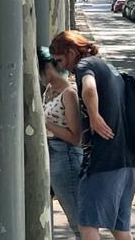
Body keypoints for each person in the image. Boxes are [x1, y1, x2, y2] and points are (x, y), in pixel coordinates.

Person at [50, 30, 135, 240]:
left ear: (71, 51)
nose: (61, 66)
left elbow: (89, 89)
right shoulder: (108, 67)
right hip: (127, 164)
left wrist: (94, 115)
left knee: (87, 225)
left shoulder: (84, 66)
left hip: (103, 162)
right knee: (121, 229)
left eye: (60, 60)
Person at [40, 47, 83, 238]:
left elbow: (75, 138)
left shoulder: (69, 93)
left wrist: (45, 122)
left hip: (66, 156)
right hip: (50, 154)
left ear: (47, 67)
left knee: (78, 220)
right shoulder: (49, 89)